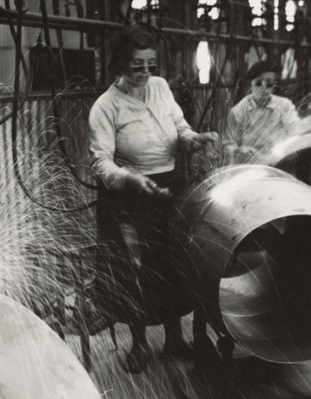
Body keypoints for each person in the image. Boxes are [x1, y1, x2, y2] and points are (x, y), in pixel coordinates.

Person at [88, 24, 216, 374]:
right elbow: (101, 163)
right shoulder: (106, 106)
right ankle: (139, 343)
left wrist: (193, 139)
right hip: (130, 196)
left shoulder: (159, 87)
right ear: (120, 65)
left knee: (172, 264)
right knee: (137, 271)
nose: (145, 72)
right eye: (137, 66)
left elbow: (179, 126)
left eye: (150, 65)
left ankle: (174, 338)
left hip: (168, 187)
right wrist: (130, 179)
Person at [223, 59, 308, 163]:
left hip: (281, 162)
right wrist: (240, 150)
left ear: (274, 85)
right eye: (258, 83)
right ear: (250, 84)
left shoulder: (284, 105)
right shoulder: (237, 112)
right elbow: (229, 145)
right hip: (252, 165)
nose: (264, 88)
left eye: (269, 84)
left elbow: (296, 129)